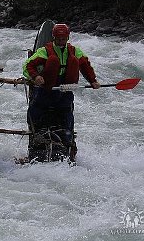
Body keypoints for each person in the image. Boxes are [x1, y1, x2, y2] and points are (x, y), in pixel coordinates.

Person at [23, 23, 100, 162]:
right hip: (47, 89)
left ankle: (66, 138)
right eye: (58, 39)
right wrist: (36, 77)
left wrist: (92, 80)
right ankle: (38, 135)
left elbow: (85, 66)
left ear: (67, 38)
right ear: (54, 38)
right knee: (36, 109)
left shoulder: (74, 51)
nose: (61, 42)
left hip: (65, 90)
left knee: (66, 113)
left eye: (63, 39)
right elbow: (28, 65)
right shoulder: (45, 51)